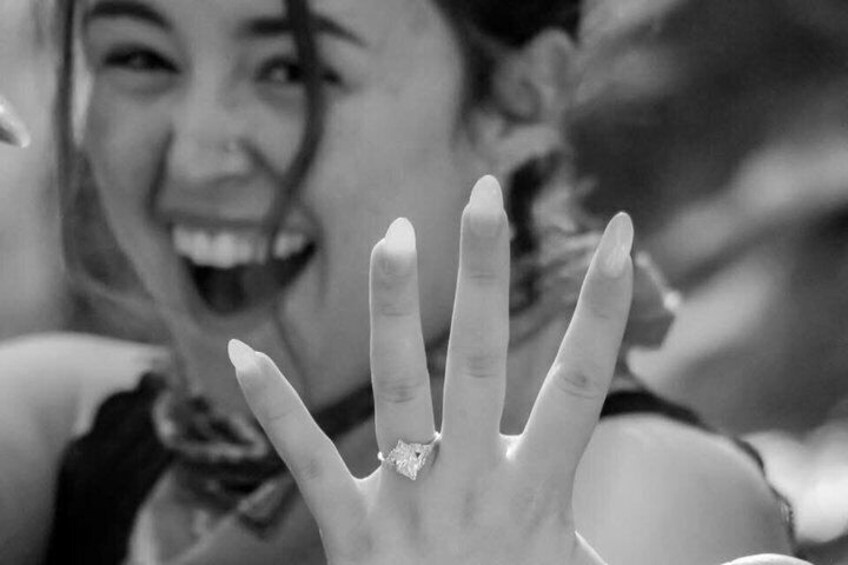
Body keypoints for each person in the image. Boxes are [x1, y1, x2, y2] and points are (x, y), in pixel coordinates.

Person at [0, 0, 800, 563]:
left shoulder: (645, 488)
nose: (195, 154)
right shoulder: (62, 418)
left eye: (291, 68)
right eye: (140, 57)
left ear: (518, 99)